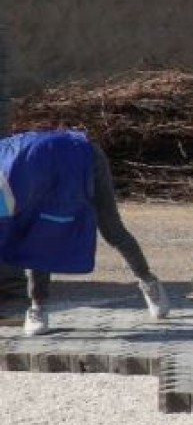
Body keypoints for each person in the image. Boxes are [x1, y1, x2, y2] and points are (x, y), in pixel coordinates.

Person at [1, 129, 169, 335]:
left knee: (111, 229)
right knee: (40, 233)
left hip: (84, 159)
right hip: (45, 169)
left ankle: (148, 281)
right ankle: (38, 306)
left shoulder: (7, 171)